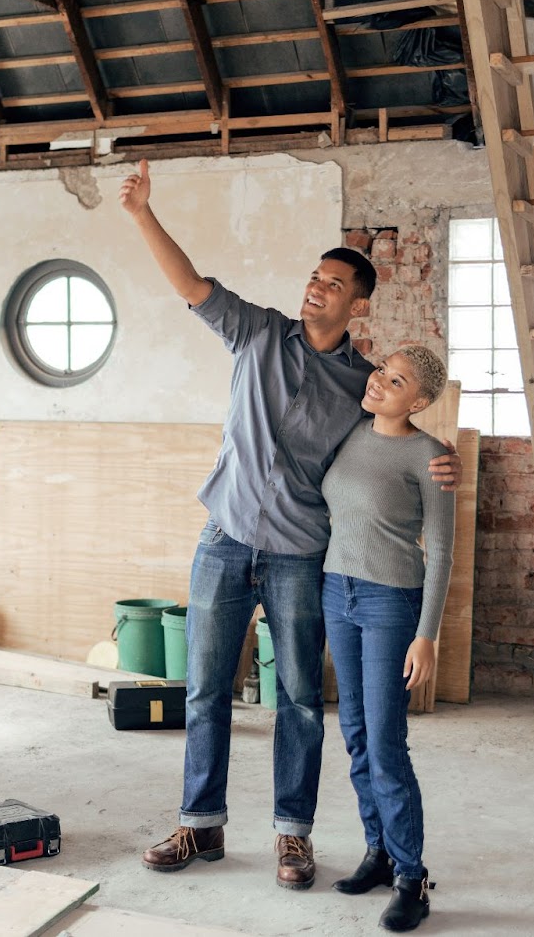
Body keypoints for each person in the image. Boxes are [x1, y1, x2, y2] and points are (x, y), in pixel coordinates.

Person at [118, 158, 458, 890]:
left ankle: (292, 836)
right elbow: (189, 284)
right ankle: (199, 825)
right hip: (225, 538)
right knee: (205, 690)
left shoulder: (361, 386)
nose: (316, 287)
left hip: (301, 559)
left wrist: (442, 464)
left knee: (299, 700)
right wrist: (144, 212)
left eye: (334, 284)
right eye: (314, 275)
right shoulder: (257, 334)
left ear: (356, 304)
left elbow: (397, 440)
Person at [320, 346, 453, 932]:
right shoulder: (350, 429)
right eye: (381, 370)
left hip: (389, 601)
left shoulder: (432, 457)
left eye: (396, 381)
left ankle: (411, 876)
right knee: (354, 735)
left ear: (418, 402)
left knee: (386, 742)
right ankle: (377, 852)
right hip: (335, 593)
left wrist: (427, 635)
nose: (379, 382)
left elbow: (443, 551)